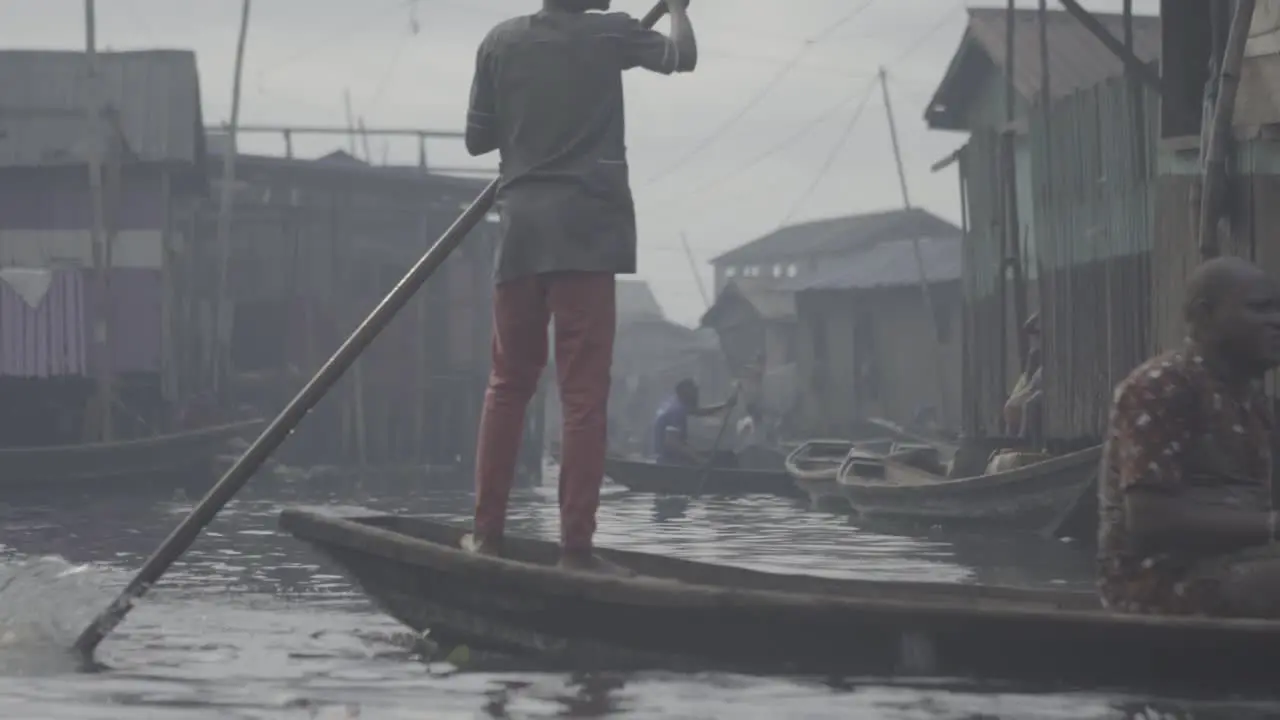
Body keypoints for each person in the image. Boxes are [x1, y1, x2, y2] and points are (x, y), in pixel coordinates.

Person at [459, 0, 698, 573]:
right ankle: (575, 551)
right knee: (583, 396)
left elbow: (476, 140)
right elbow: (682, 57)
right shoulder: (609, 35)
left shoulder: (500, 42)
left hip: (521, 231)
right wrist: (680, 10)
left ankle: (486, 537)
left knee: (508, 386)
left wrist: (529, 123)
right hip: (587, 236)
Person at [1098, 256, 1280, 618]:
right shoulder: (1162, 386)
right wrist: (1273, 526)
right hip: (1158, 584)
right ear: (1204, 314)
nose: (1276, 321)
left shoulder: (1252, 400)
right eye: (1260, 309)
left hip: (1240, 565)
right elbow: (1150, 523)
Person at [653, 379, 738, 466]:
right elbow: (671, 442)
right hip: (669, 461)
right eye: (694, 391)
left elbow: (699, 411)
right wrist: (699, 459)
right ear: (685, 393)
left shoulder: (678, 402)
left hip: (668, 457)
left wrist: (726, 405)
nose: (697, 394)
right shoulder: (677, 411)